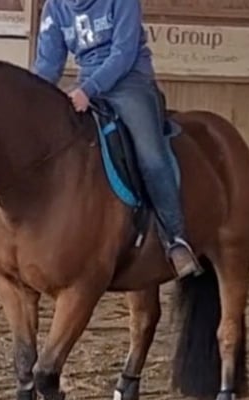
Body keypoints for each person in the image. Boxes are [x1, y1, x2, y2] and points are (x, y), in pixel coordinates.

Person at [32, 0, 202, 278]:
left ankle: (175, 239)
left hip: (130, 84)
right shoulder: (56, 7)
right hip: (87, 84)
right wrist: (33, 97)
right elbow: (48, 64)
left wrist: (88, 90)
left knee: (151, 157)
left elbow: (123, 52)